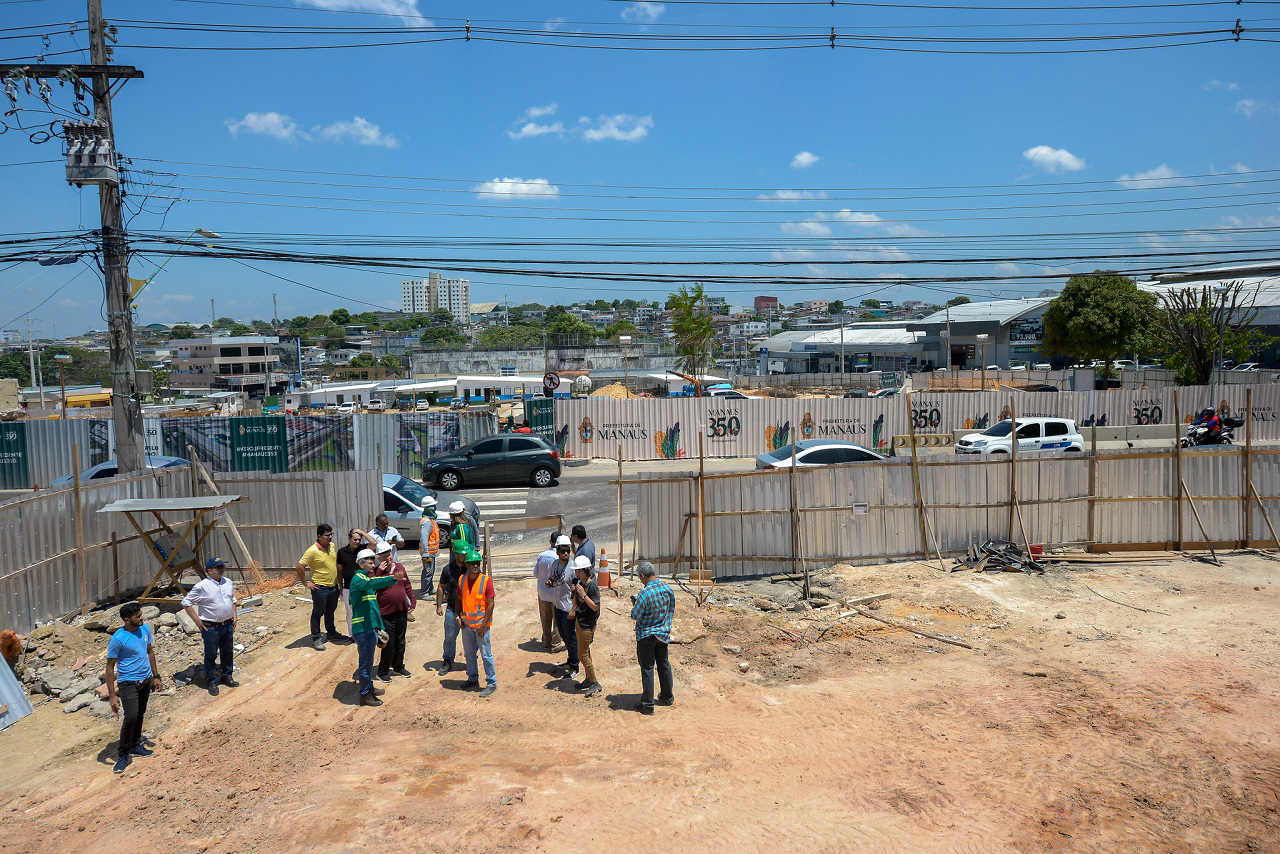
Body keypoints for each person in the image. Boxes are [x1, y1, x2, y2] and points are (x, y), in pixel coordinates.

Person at [105, 602, 162, 773]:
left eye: (141, 614)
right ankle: (123, 754)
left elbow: (150, 652)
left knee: (140, 713)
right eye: (137, 616)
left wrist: (156, 676)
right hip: (128, 682)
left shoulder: (144, 630)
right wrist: (112, 696)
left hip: (145, 680)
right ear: (126, 619)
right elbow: (109, 667)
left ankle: (136, 744)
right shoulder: (118, 638)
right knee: (130, 716)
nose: (141, 618)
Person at [348, 547, 400, 707]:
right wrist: (392, 578)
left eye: (373, 561)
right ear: (360, 563)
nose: (373, 564)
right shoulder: (359, 579)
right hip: (363, 629)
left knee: (368, 663)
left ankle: (368, 688)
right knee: (365, 663)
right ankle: (365, 695)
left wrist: (379, 627)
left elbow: (373, 609)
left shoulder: (366, 581)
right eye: (370, 561)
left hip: (369, 627)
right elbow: (373, 582)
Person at [181, 556, 239, 696]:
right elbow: (186, 602)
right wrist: (197, 621)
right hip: (211, 627)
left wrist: (235, 616)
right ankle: (212, 681)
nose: (222, 570)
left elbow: (233, 600)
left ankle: (227, 676)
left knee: (227, 652)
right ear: (209, 571)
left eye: (222, 567)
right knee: (211, 654)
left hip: (227, 624)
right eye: (218, 568)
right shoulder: (202, 586)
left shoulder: (228, 582)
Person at [630, 562, 675, 715]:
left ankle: (648, 705)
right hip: (662, 634)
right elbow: (670, 609)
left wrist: (635, 605)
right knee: (663, 664)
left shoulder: (644, 593)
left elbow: (635, 615)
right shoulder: (667, 588)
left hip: (647, 635)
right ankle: (667, 697)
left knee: (647, 668)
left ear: (642, 576)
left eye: (639, 577)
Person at [373, 540, 416, 682]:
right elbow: (373, 587)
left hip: (401, 611)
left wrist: (412, 599)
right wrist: (379, 572)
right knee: (388, 643)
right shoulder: (376, 571)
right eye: (383, 555)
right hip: (386, 613)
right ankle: (383, 671)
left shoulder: (399, 567)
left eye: (388, 554)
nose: (387, 557)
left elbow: (407, 584)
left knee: (400, 641)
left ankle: (398, 666)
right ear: (378, 557)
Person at [457, 547, 497, 697]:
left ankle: (491, 683)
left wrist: (483, 625)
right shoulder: (462, 580)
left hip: (481, 626)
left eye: (477, 563)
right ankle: (472, 679)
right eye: (472, 563)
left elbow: (491, 604)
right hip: (467, 625)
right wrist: (458, 616)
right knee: (469, 654)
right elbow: (459, 599)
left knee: (486, 655)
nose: (475, 566)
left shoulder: (486, 581)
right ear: (467, 565)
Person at [296, 523, 343, 650]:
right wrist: (306, 583)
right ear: (319, 536)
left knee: (330, 611)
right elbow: (300, 566)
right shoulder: (312, 551)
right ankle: (316, 637)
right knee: (318, 612)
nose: (330, 537)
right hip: (320, 588)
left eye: (331, 534)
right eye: (327, 535)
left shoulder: (332, 546)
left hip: (333, 587)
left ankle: (331, 633)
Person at [568, 555, 602, 697]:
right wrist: (575, 592)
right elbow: (575, 602)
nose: (576, 574)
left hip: (587, 625)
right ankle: (589, 679)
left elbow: (595, 607)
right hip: (580, 622)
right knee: (585, 652)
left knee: (582, 654)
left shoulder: (592, 586)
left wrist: (583, 595)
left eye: (578, 571)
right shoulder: (580, 584)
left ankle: (595, 683)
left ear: (584, 571)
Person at [547, 535, 580, 680]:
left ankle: (575, 666)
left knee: (571, 637)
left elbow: (577, 590)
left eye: (567, 551)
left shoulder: (573, 568)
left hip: (569, 608)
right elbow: (552, 580)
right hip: (558, 605)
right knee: (563, 634)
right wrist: (549, 583)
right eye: (562, 551)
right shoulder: (554, 565)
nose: (565, 553)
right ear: (557, 551)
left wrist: (574, 609)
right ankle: (570, 659)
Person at [532, 532, 563, 652]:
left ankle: (546, 641)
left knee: (545, 617)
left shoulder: (542, 555)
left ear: (550, 541)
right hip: (556, 594)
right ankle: (555, 644)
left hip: (543, 592)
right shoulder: (559, 558)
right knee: (557, 619)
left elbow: (535, 574)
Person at [336, 529, 365, 637]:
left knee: (363, 611)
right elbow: (339, 570)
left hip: (362, 588)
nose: (357, 541)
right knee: (350, 613)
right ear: (349, 539)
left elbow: (374, 543)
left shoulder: (363, 549)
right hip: (348, 588)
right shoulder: (341, 552)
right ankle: (353, 635)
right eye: (355, 539)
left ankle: (363, 632)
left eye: (359, 539)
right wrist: (340, 586)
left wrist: (362, 532)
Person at [419, 496, 440, 596]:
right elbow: (424, 538)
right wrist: (425, 553)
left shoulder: (431, 520)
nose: (435, 508)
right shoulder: (427, 521)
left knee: (430, 572)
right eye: (433, 506)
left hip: (432, 553)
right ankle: (424, 592)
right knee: (427, 572)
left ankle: (430, 589)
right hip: (428, 554)